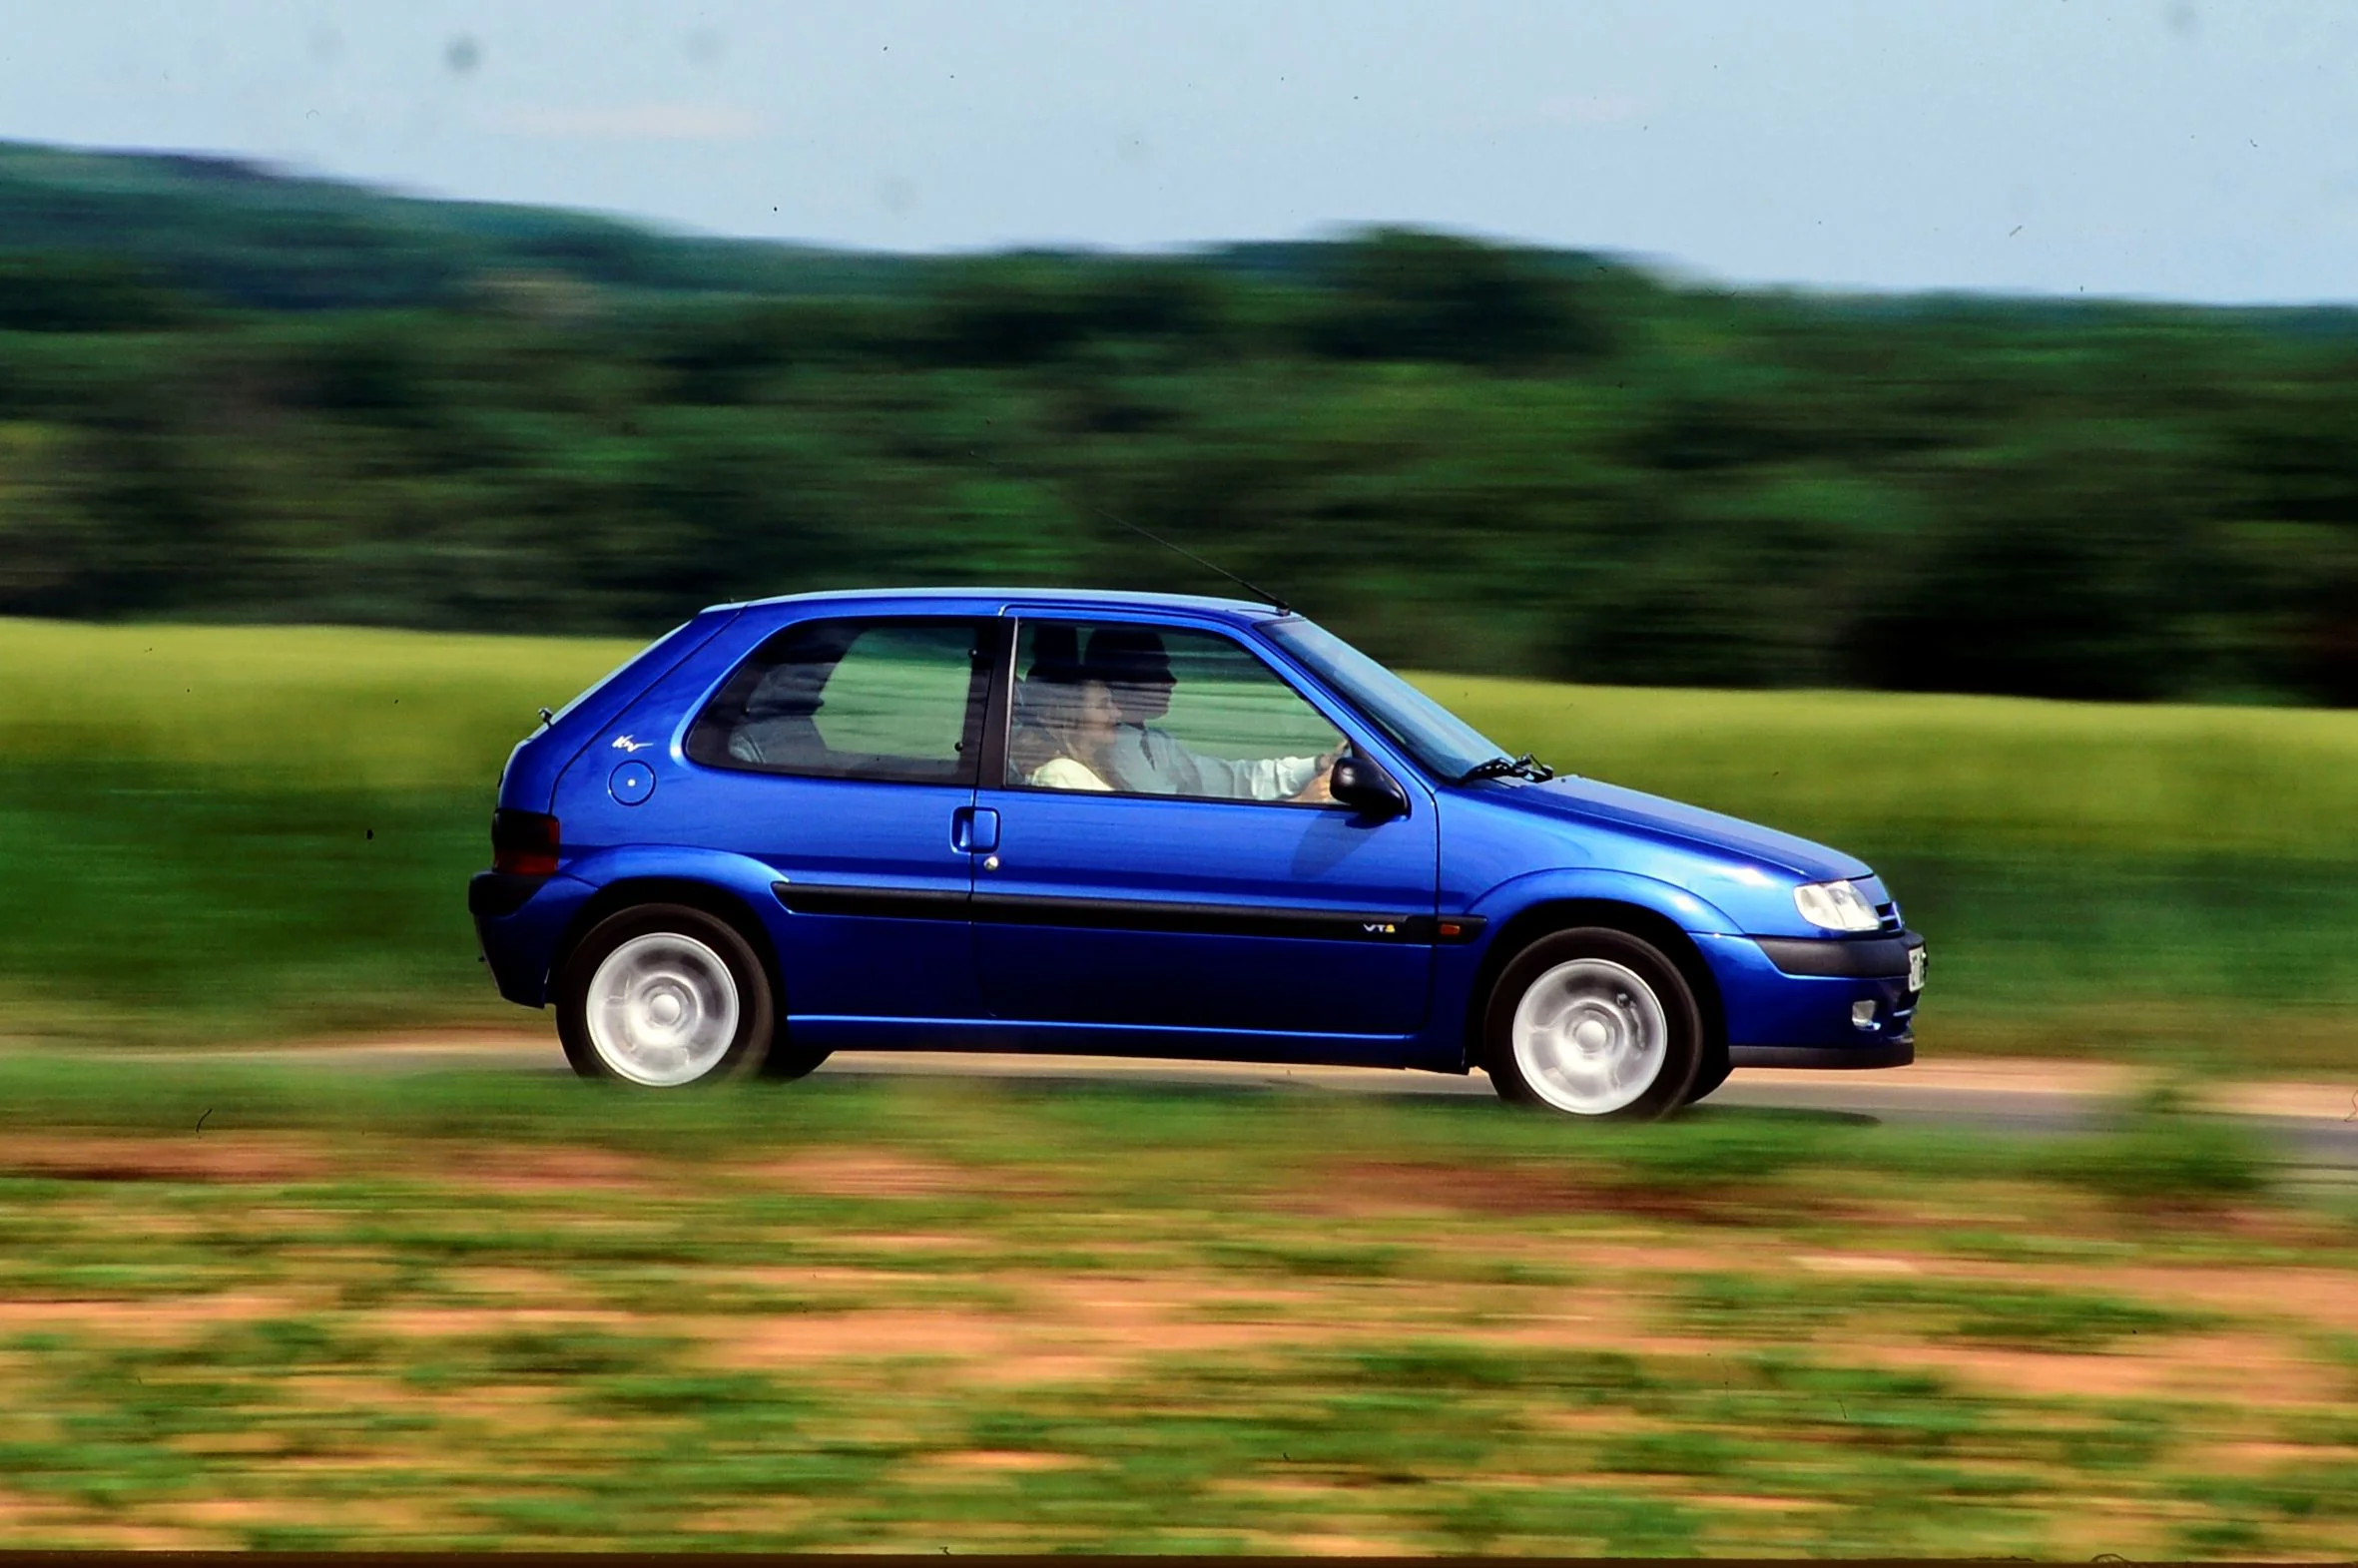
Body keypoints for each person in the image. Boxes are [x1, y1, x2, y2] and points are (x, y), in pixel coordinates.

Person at [1083, 628, 1339, 803]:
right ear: (1123, 681)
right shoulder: (1118, 751)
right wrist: (1300, 803)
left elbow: (1231, 780)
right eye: (1157, 671)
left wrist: (1318, 764)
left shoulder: (1155, 742)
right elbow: (1170, 824)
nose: (1171, 681)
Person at [1009, 664, 1121, 791]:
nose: (1117, 713)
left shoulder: (1102, 766)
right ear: (1068, 718)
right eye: (1102, 706)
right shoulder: (1061, 774)